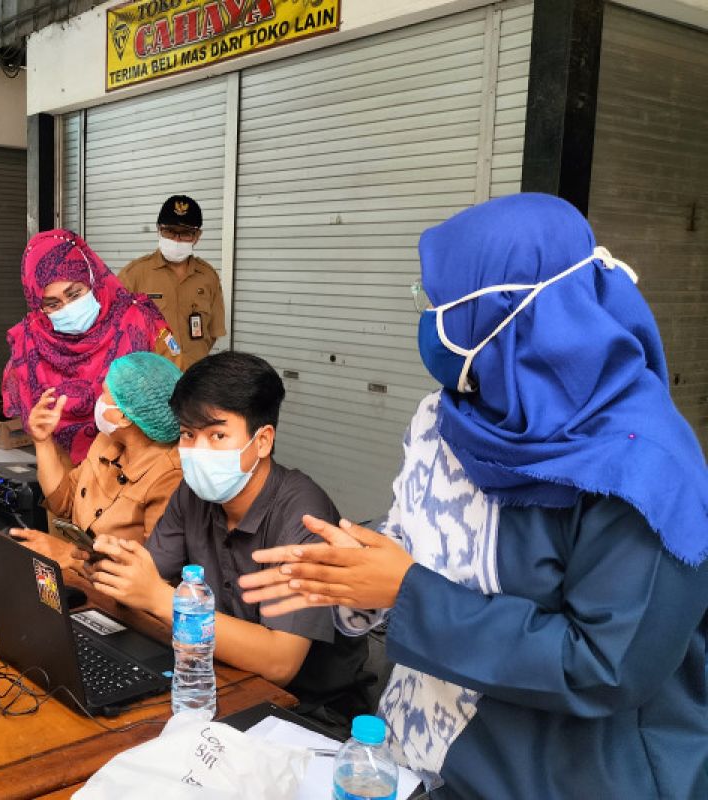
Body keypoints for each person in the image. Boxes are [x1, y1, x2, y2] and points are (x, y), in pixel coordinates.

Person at [239, 194, 708, 798]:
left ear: (512, 319)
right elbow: (423, 529)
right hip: (428, 759)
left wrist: (407, 592)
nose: (428, 317)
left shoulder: (642, 470)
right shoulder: (453, 411)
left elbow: (606, 665)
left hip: (568, 777)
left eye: (441, 304)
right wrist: (354, 564)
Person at [87, 351, 373, 725]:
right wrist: (116, 566)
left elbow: (280, 662)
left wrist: (159, 597)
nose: (197, 451)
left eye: (217, 435)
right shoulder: (194, 493)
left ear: (263, 441)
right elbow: (145, 578)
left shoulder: (304, 514)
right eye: (188, 435)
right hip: (218, 679)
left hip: (309, 711)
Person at [3, 230, 171, 465]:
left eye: (75, 294)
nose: (68, 308)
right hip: (62, 473)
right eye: (52, 304)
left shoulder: (139, 321)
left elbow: (172, 395)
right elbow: (35, 423)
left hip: (136, 471)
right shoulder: (30, 341)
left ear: (91, 278)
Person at [11, 351, 184, 567]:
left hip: (117, 596)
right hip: (83, 579)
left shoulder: (169, 477)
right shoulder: (106, 440)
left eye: (104, 395)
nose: (98, 401)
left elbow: (152, 571)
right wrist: (43, 440)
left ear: (123, 417)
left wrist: (72, 556)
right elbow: (64, 501)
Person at [118, 195, 226, 370]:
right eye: (170, 231)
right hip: (150, 378)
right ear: (158, 230)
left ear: (197, 236)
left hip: (194, 378)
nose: (176, 240)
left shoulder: (208, 276)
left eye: (185, 233)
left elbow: (212, 332)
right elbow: (116, 331)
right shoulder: (134, 274)